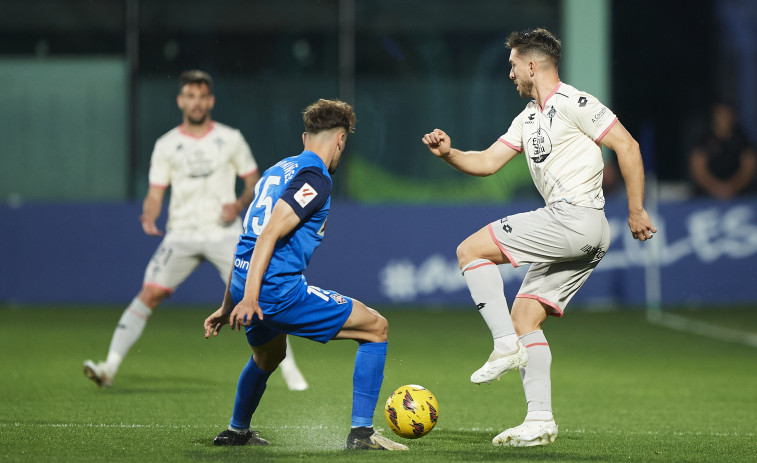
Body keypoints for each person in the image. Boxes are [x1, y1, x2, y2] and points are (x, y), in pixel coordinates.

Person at [422, 28, 656, 447]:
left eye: (513, 65)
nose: (510, 73)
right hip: (582, 231)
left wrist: (636, 209)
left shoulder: (575, 102)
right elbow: (489, 162)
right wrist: (450, 154)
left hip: (575, 217)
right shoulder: (528, 117)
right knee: (525, 317)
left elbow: (629, 146)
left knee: (470, 250)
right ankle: (540, 419)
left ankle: (503, 347)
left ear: (532, 65)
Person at [83, 70, 308, 391]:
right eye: (190, 96)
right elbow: (155, 192)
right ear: (180, 100)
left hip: (224, 232)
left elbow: (252, 181)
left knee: (257, 295)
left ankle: (290, 372)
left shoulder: (230, 138)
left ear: (211, 100)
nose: (197, 102)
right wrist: (149, 214)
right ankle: (109, 367)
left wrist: (239, 203)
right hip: (182, 233)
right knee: (150, 293)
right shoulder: (166, 145)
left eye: (202, 96)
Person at [203, 98, 407, 451]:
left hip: (245, 279)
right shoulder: (315, 177)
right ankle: (361, 434)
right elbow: (267, 235)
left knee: (268, 356)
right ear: (341, 140)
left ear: (305, 136)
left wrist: (230, 301)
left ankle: (237, 431)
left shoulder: (278, 170)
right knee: (376, 328)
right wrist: (250, 298)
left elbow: (247, 239)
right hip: (275, 290)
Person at [689, 102, 757, 199]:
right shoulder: (704, 140)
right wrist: (716, 188)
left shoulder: (743, 140)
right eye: (720, 114)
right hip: (707, 196)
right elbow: (698, 170)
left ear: (733, 116)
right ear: (714, 116)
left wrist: (731, 188)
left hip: (739, 195)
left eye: (727, 114)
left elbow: (748, 169)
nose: (723, 118)